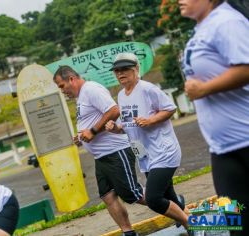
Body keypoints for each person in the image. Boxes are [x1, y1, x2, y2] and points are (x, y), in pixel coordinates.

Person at [179, 0, 249, 234]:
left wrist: (205, 89)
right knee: (238, 225)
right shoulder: (202, 29)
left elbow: (246, 68)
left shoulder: (227, 22)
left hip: (246, 141)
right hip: (223, 149)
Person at [54, 65, 145, 236]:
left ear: (71, 79)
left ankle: (175, 205)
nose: (62, 91)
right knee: (108, 196)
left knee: (133, 194)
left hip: (116, 151)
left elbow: (114, 110)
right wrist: (82, 136)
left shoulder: (91, 90)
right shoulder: (81, 97)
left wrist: (93, 131)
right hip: (101, 156)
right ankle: (128, 233)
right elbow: (92, 122)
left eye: (61, 86)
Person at [105, 52, 188, 229]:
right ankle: (181, 207)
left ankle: (190, 223)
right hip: (145, 154)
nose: (120, 74)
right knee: (169, 196)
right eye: (117, 71)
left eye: (125, 69)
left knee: (154, 199)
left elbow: (170, 108)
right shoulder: (121, 95)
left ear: (136, 69)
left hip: (163, 151)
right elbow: (126, 125)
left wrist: (151, 120)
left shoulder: (147, 89)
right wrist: (115, 128)